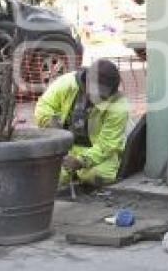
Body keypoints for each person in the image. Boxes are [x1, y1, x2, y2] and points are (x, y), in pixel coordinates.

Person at [34, 58, 128, 187]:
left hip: (97, 152)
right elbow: (43, 106)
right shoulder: (66, 84)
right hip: (65, 149)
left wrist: (82, 161)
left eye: (104, 96)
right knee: (49, 179)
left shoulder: (119, 105)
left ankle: (81, 176)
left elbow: (108, 144)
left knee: (98, 176)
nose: (98, 100)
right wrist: (50, 123)